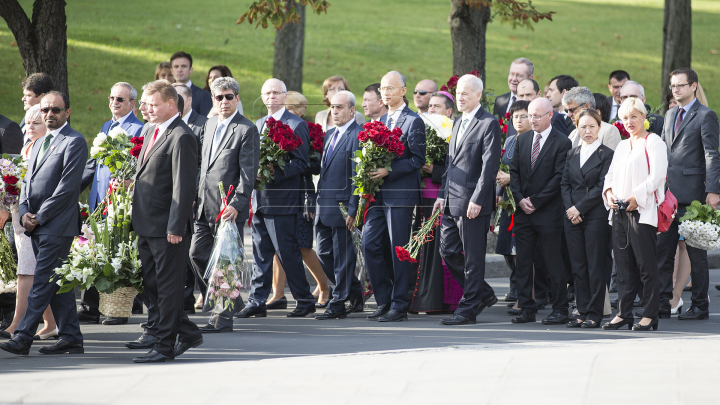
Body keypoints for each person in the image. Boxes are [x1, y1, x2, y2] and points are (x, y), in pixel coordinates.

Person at [0, 91, 87, 356]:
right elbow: (25, 182)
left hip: (57, 224)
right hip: (35, 224)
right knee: (57, 281)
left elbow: (67, 188)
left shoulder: (75, 142)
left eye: (56, 110)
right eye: (46, 109)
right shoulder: (38, 143)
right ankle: (71, 336)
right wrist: (25, 211)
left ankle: (23, 336)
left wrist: (40, 216)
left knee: (43, 280)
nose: (50, 114)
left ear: (67, 113)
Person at [128, 80, 202, 363]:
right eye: (145, 104)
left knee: (169, 287)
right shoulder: (151, 130)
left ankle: (164, 345)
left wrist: (176, 226)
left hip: (167, 228)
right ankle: (186, 331)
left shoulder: (181, 135)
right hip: (146, 223)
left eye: (153, 104)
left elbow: (183, 186)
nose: (147, 109)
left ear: (171, 104)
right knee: (152, 285)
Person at [238, 78, 316, 318]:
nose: (271, 97)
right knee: (261, 255)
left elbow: (302, 163)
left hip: (283, 200)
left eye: (276, 93)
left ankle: (304, 300)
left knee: (287, 253)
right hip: (260, 200)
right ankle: (256, 301)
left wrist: (277, 171)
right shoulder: (258, 124)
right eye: (267, 93)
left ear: (284, 96)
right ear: (262, 98)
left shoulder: (296, 124)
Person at [188, 77, 259, 333]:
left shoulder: (246, 129)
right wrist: (193, 194)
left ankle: (223, 316)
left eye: (229, 97)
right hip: (203, 205)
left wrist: (238, 204)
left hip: (228, 208)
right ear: (213, 100)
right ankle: (231, 299)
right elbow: (201, 166)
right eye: (219, 97)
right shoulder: (208, 125)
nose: (224, 102)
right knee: (196, 254)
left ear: (237, 99)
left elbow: (248, 173)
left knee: (225, 263)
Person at [433, 74, 500, 325]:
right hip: (452, 199)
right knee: (448, 251)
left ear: (478, 95)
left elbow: (489, 167)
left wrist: (478, 199)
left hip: (473, 202)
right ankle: (482, 293)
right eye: (458, 93)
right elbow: (452, 164)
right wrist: (442, 195)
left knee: (473, 257)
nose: (459, 97)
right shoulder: (458, 121)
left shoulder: (488, 123)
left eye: (465, 93)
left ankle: (469, 307)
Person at [76, 82, 144, 326]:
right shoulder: (107, 126)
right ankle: (91, 306)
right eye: (112, 98)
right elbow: (93, 165)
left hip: (120, 201)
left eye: (120, 100)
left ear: (132, 104)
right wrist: (74, 189)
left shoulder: (139, 129)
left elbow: (138, 168)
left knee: (116, 252)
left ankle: (118, 307)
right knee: (95, 250)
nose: (115, 103)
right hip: (98, 199)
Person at [656, 67, 720, 321]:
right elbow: (663, 151)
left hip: (694, 196)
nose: (676, 90)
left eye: (680, 85)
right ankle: (662, 302)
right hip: (668, 196)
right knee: (663, 252)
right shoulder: (670, 114)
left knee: (697, 254)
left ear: (693, 86)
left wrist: (713, 190)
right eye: (673, 86)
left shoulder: (706, 116)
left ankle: (700, 305)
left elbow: (712, 155)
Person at [361, 70, 425, 322]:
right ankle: (384, 299)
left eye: (390, 88)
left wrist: (389, 170)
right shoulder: (381, 120)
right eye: (383, 89)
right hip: (377, 195)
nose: (385, 93)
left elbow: (417, 160)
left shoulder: (413, 121)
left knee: (398, 249)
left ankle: (399, 304)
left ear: (403, 91)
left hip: (400, 194)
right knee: (369, 244)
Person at [602, 97, 668, 331]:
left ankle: (650, 314)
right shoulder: (622, 145)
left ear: (643, 117)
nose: (629, 122)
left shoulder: (654, 142)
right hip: (618, 211)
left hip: (642, 211)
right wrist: (609, 193)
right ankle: (624, 313)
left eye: (633, 116)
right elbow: (609, 175)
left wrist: (636, 197)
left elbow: (657, 176)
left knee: (645, 266)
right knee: (623, 267)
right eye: (624, 118)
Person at [508, 98, 572, 324]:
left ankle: (560, 309)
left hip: (548, 213)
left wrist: (535, 200)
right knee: (523, 262)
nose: (531, 120)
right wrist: (520, 199)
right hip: (524, 212)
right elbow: (513, 173)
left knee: (552, 262)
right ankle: (527, 308)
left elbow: (559, 177)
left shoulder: (562, 142)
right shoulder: (522, 139)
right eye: (529, 115)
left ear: (549, 116)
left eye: (536, 116)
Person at [265, 91, 331, 309]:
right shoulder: (275, 126)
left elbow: (313, 164)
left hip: (302, 193)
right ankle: (278, 293)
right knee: (278, 245)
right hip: (280, 193)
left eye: (289, 108)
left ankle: (324, 286)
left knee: (302, 246)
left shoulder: (306, 129)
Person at [0, 105, 57, 340]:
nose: (30, 127)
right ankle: (51, 322)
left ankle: (17, 323)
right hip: (18, 213)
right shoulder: (28, 147)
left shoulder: (50, 148)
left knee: (28, 272)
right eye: (29, 123)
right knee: (31, 272)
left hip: (35, 217)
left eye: (37, 123)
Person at [314, 91, 365, 319]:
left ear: (352, 110)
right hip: (324, 206)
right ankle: (354, 292)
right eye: (332, 107)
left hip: (344, 208)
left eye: (340, 107)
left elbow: (358, 175)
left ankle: (339, 302)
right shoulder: (329, 134)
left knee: (343, 257)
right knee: (324, 253)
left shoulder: (358, 135)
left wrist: (354, 209)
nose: (334, 111)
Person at [561, 109, 614, 328]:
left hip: (595, 216)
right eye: (583, 127)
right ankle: (581, 311)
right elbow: (564, 184)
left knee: (595, 265)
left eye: (592, 126)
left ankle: (595, 312)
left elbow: (602, 185)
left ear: (599, 128)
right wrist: (571, 209)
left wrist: (579, 208)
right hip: (572, 216)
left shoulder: (607, 154)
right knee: (578, 266)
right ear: (577, 128)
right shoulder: (572, 153)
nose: (588, 131)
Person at [409, 90, 457, 314]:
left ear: (449, 111)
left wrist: (433, 170)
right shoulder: (423, 129)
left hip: (440, 197)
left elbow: (457, 168)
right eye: (430, 106)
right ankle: (420, 298)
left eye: (437, 107)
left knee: (439, 250)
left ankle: (437, 300)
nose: (432, 110)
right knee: (422, 249)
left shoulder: (454, 131)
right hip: (421, 198)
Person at [495, 100, 529, 304]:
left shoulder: (533, 141)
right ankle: (516, 284)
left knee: (520, 248)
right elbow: (503, 167)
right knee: (507, 249)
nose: (519, 120)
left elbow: (531, 173)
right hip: (508, 202)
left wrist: (511, 180)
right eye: (515, 116)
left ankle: (522, 289)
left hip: (524, 200)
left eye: (523, 116)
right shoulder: (509, 141)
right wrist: (499, 187)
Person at [170, 51, 212, 117]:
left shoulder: (203, 95)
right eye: (176, 66)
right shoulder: (166, 94)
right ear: (171, 71)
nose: (180, 70)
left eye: (184, 66)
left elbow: (206, 122)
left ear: (190, 70)